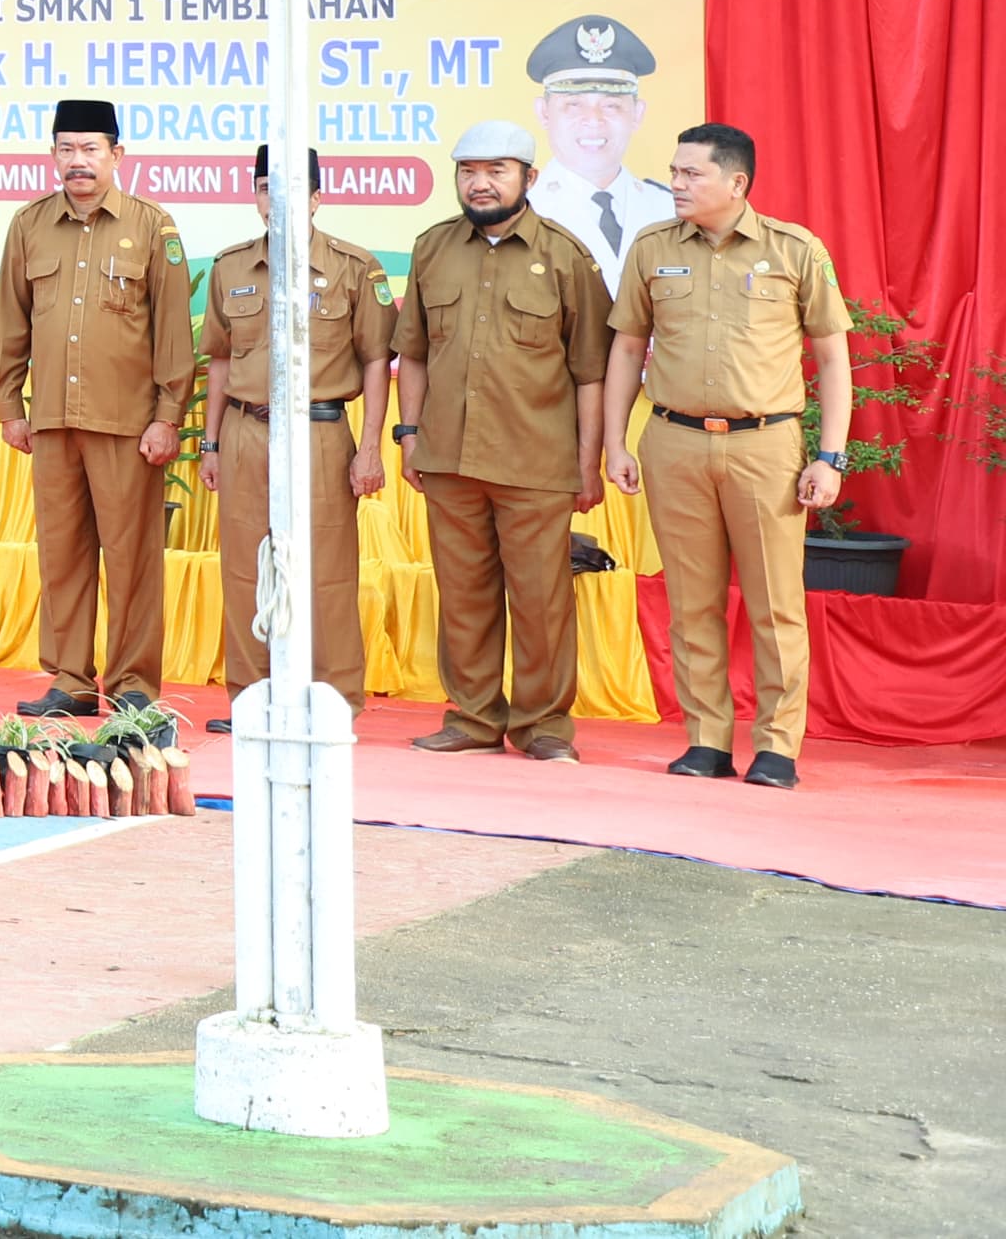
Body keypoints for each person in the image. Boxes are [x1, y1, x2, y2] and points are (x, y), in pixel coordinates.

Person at [605, 122, 854, 790]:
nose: (677, 185)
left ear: (736, 182)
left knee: (776, 603)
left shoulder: (794, 249)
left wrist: (829, 455)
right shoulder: (652, 248)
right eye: (675, 172)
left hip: (765, 445)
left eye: (692, 174)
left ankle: (776, 745)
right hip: (674, 441)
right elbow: (628, 348)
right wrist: (613, 441)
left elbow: (832, 356)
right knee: (691, 602)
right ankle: (707, 739)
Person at [394, 118, 613, 760]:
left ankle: (543, 726)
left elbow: (590, 372)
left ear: (528, 178)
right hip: (447, 455)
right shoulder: (433, 247)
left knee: (542, 601)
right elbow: (414, 356)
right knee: (463, 594)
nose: (481, 183)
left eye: (496, 171)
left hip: (536, 461)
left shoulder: (566, 256)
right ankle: (472, 717)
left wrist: (587, 464)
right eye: (469, 171)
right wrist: (409, 437)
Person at [0, 97, 195, 717]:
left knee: (132, 558)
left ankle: (133, 685)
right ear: (53, 155)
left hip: (127, 426)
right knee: (62, 553)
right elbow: (9, 324)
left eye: (91, 149)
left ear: (117, 155)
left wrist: (167, 416)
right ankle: (71, 680)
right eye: (67, 149)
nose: (78, 162)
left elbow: (173, 335)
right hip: (51, 420)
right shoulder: (29, 226)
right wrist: (9, 406)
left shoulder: (153, 228)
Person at [197, 149, 390, 733]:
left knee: (328, 570)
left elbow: (378, 360)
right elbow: (222, 363)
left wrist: (371, 447)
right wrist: (209, 444)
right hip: (246, 432)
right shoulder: (231, 267)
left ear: (314, 197)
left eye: (288, 191)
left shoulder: (355, 268)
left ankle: (332, 702)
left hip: (321, 432)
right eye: (263, 189)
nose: (273, 201)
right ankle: (252, 700)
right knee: (245, 568)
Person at [525, 14, 673, 284]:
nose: (593, 120)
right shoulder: (521, 211)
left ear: (637, 114)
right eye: (574, 104)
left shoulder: (670, 208)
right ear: (544, 112)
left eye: (611, 105)